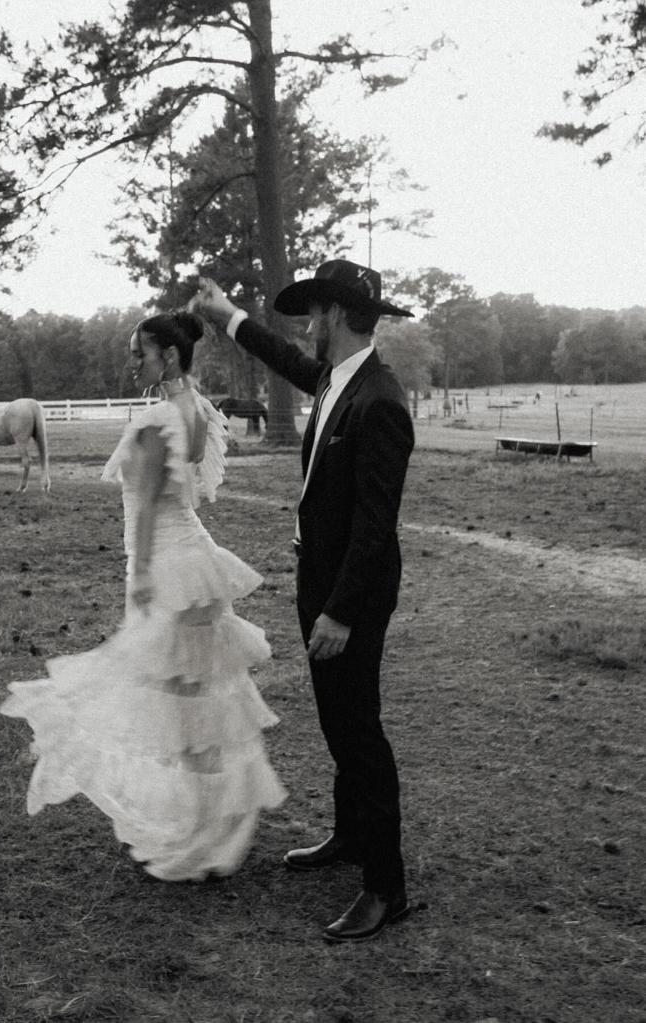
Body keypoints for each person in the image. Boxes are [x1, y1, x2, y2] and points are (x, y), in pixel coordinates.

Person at [0, 310, 286, 881]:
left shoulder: (159, 416)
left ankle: (198, 836)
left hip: (170, 569)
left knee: (167, 700)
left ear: (170, 357)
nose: (133, 362)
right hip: (199, 563)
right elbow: (190, 494)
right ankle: (205, 828)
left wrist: (144, 576)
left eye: (141, 353)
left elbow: (153, 503)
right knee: (196, 703)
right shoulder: (198, 408)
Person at [192, 260, 415, 942]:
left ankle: (385, 887)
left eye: (316, 312)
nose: (308, 325)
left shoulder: (380, 401)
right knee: (337, 722)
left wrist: (341, 612)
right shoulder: (332, 379)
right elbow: (281, 353)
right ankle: (350, 837)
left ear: (341, 316)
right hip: (318, 582)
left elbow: (376, 526)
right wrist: (226, 314)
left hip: (352, 596)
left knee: (360, 732)